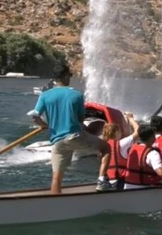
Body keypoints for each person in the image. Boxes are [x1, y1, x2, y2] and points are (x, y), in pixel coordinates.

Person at [31, 64, 112, 193]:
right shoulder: (76, 95)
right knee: (106, 147)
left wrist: (44, 125)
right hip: (74, 136)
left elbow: (35, 117)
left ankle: (55, 205)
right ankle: (102, 181)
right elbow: (81, 119)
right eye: (69, 75)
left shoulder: (44, 95)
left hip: (57, 141)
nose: (70, 77)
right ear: (65, 76)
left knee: (56, 178)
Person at [101, 112, 140, 190]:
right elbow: (138, 131)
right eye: (119, 131)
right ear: (116, 133)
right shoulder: (121, 144)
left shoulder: (103, 146)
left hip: (107, 182)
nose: (121, 133)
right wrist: (130, 118)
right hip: (120, 182)